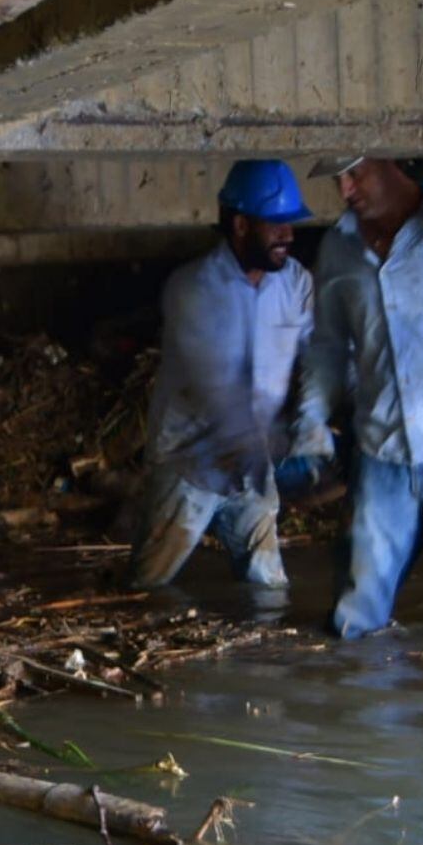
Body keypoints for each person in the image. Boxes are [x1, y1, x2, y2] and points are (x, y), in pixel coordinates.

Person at [290, 156, 423, 638]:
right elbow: (327, 345)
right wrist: (311, 418)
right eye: (337, 178)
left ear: (392, 160)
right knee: (355, 618)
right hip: (380, 452)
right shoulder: (338, 248)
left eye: (354, 173)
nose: (344, 190)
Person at [129, 159, 315, 590]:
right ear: (241, 225)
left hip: (252, 464)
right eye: (276, 224)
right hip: (189, 464)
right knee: (147, 587)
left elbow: (318, 354)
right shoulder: (193, 289)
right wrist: (288, 450)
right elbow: (218, 387)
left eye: (290, 223)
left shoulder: (295, 284)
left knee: (269, 589)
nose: (288, 234)